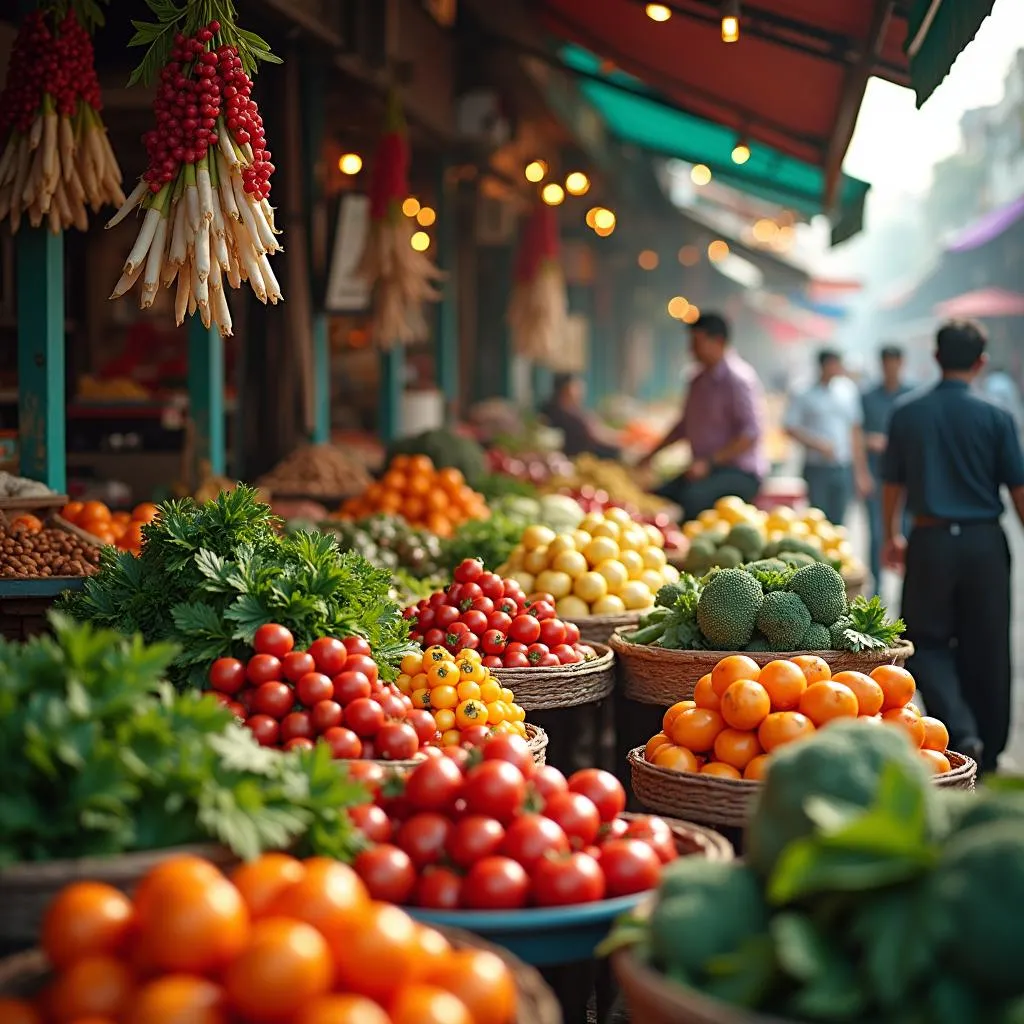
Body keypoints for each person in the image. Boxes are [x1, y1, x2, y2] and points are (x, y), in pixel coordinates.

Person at [882, 320, 1024, 774]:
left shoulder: (907, 412)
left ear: (936, 357)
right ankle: (993, 745)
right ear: (981, 362)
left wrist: (890, 535)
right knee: (989, 645)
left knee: (925, 640)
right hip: (985, 543)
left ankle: (960, 731)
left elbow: (891, 483)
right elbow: (1018, 489)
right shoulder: (998, 415)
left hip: (931, 540)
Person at [638, 312, 766, 517]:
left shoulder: (738, 380)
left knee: (693, 499)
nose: (691, 350)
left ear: (719, 341)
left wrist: (710, 462)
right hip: (704, 468)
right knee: (658, 495)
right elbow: (684, 426)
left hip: (738, 472)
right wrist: (650, 456)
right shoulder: (697, 380)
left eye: (697, 342)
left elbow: (750, 435)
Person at [783, 349, 871, 526]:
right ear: (823, 366)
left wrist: (861, 472)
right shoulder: (803, 393)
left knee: (840, 520)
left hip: (842, 465)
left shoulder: (847, 391)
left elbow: (855, 430)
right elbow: (790, 427)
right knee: (817, 519)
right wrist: (817, 444)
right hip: (816, 467)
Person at [861, 345, 913, 590]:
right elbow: (853, 434)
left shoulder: (913, 396)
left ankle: (909, 580)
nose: (890, 368)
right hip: (878, 474)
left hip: (908, 478)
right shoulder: (868, 397)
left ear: (901, 363)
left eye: (894, 362)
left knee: (907, 529)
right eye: (886, 363)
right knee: (877, 531)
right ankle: (877, 586)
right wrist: (868, 442)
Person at [540, 373, 621, 460]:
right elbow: (593, 434)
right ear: (566, 388)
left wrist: (620, 437)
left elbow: (598, 429)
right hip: (577, 458)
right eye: (576, 387)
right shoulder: (557, 413)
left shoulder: (576, 410)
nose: (581, 391)